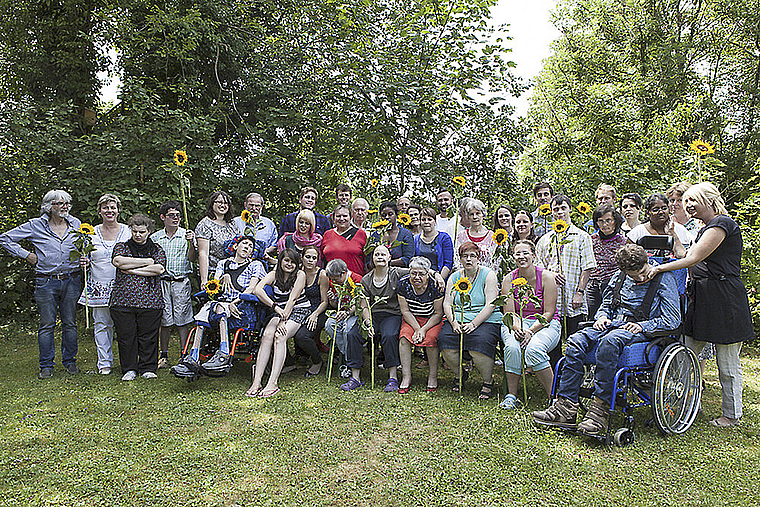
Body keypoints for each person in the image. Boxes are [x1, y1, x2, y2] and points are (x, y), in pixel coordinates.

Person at [532, 244, 680, 437]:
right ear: (624, 271)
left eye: (643, 272)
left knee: (609, 342)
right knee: (575, 340)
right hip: (612, 325)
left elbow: (673, 319)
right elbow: (606, 305)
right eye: (634, 276)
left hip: (643, 330)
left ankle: (599, 409)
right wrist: (601, 317)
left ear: (647, 263)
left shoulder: (663, 278)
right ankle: (566, 406)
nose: (641, 278)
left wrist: (643, 326)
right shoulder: (618, 278)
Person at [646, 182, 753, 428]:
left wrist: (659, 268)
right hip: (703, 296)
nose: (688, 205)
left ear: (709, 199)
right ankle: (683, 404)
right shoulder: (705, 228)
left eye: (693, 200)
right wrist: (673, 237)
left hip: (724, 297)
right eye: (686, 202)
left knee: (726, 362)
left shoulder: (721, 224)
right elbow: (687, 256)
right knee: (686, 351)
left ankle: (731, 415)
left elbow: (694, 258)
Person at [0, 190, 83, 378]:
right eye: (59, 203)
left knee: (70, 323)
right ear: (48, 207)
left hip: (72, 279)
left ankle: (70, 363)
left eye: (67, 203)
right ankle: (46, 365)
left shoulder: (77, 224)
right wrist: (26, 255)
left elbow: (83, 246)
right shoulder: (35, 225)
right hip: (46, 281)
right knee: (47, 324)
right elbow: (4, 238)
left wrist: (84, 257)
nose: (64, 207)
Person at [171, 235, 265, 378]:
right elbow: (214, 286)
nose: (247, 247)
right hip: (220, 303)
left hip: (242, 304)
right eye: (244, 243)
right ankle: (192, 357)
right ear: (236, 247)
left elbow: (252, 287)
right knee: (204, 312)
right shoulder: (223, 263)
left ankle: (224, 352)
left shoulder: (255, 265)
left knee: (218, 307)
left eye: (251, 246)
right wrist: (223, 277)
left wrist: (236, 301)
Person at [499, 240, 561, 409]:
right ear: (513, 257)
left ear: (533, 256)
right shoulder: (508, 279)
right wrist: (518, 329)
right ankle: (511, 395)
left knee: (534, 350)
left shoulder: (547, 277)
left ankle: (554, 398)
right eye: (518, 253)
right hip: (516, 322)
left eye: (525, 253)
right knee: (512, 347)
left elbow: (548, 313)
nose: (522, 257)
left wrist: (530, 331)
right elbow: (509, 312)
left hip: (544, 323)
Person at [438, 241, 501, 399]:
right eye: (464, 256)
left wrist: (474, 324)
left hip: (485, 319)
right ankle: (460, 375)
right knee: (445, 342)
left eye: (472, 256)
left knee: (478, 346)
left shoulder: (488, 275)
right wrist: (453, 322)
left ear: (478, 258)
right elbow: (447, 303)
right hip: (458, 318)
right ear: (460, 259)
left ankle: (487, 381)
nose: (468, 260)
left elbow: (491, 304)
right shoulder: (455, 277)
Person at [342, 245, 408, 391]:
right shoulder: (366, 280)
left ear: (389, 257)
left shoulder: (396, 273)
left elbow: (417, 271)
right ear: (372, 259)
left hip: (392, 314)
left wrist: (435, 275)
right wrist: (368, 323)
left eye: (383, 254)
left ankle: (392, 377)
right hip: (373, 314)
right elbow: (364, 305)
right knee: (353, 334)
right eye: (376, 254)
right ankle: (355, 377)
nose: (380, 257)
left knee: (389, 335)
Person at [77, 194, 130, 375]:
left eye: (113, 207)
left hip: (124, 286)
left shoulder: (128, 231)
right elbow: (86, 257)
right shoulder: (89, 234)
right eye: (105, 207)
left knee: (126, 325)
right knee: (102, 325)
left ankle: (128, 362)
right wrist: (84, 262)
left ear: (119, 210)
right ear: (99, 211)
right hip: (98, 285)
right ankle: (104, 363)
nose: (110, 211)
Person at [110, 214, 167, 381]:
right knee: (126, 336)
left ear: (149, 231)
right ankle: (129, 369)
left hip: (150, 301)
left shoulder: (156, 249)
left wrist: (132, 269)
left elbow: (158, 269)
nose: (138, 235)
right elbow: (119, 262)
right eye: (135, 231)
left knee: (148, 336)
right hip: (123, 300)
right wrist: (146, 262)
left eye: (142, 232)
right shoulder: (122, 247)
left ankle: (148, 368)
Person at [247, 249, 309, 398]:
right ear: (280, 260)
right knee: (267, 335)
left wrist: (283, 321)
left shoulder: (300, 275)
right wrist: (274, 306)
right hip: (280, 310)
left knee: (279, 336)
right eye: (286, 260)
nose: (289, 264)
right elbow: (257, 290)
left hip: (298, 310)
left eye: (293, 262)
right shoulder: (274, 275)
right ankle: (257, 382)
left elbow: (292, 300)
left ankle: (272, 383)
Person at [536, 195, 596, 341]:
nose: (560, 212)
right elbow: (538, 268)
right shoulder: (545, 239)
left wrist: (580, 292)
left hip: (573, 297)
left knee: (575, 338)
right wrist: (551, 275)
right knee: (553, 340)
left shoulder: (582, 236)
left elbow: (587, 267)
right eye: (556, 209)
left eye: (563, 208)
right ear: (551, 212)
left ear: (570, 209)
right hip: (552, 300)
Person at [152, 201, 197, 370]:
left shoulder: (186, 235)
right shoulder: (156, 237)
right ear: (163, 217)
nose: (175, 218)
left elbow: (192, 259)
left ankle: (184, 354)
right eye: (171, 215)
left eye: (178, 216)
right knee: (165, 320)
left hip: (180, 282)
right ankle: (163, 355)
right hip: (162, 281)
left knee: (182, 320)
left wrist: (191, 243)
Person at [397, 256, 444, 393]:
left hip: (431, 319)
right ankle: (406, 376)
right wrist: (417, 328)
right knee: (404, 338)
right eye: (413, 273)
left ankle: (433, 376)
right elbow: (404, 310)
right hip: (411, 318)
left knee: (430, 340)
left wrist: (423, 330)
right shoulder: (403, 284)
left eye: (421, 274)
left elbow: (438, 313)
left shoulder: (435, 286)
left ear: (428, 274)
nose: (417, 277)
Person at [293, 245, 330, 377]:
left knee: (302, 336)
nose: (310, 260)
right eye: (308, 257)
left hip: (318, 310)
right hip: (300, 309)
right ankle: (295, 358)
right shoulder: (297, 272)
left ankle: (317, 361)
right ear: (302, 257)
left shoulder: (322, 274)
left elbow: (325, 301)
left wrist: (314, 315)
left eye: (314, 258)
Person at [323, 259, 364, 378]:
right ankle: (348, 355)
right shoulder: (334, 282)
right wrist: (332, 300)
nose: (334, 281)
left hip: (355, 313)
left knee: (347, 329)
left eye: (336, 279)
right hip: (341, 312)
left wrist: (347, 313)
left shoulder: (357, 280)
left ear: (344, 273)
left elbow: (360, 305)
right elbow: (336, 306)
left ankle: (350, 362)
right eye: (332, 279)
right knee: (329, 324)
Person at [587, 204, 626, 320]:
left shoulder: (623, 241)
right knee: (592, 317)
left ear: (615, 221)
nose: (605, 225)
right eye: (601, 221)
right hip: (593, 285)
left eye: (608, 220)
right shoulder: (591, 240)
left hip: (613, 285)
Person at [196, 191, 238, 285]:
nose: (223, 205)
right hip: (212, 272)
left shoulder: (232, 224)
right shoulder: (205, 224)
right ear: (212, 204)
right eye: (219, 202)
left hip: (231, 271)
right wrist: (204, 280)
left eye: (226, 203)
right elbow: (203, 253)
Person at [627, 193, 691, 251]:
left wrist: (672, 234)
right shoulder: (637, 233)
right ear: (647, 212)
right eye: (655, 210)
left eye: (664, 208)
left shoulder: (680, 230)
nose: (661, 212)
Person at [233, 192, 279, 264]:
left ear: (261, 206)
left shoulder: (269, 224)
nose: (254, 208)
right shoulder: (236, 222)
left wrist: (263, 252)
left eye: (257, 205)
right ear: (245, 205)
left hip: (261, 263)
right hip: (238, 264)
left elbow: (274, 244)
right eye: (251, 205)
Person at [321, 204, 367, 276]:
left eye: (345, 216)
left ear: (350, 217)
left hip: (355, 282)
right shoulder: (327, 235)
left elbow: (367, 260)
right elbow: (322, 260)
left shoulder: (360, 234)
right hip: (332, 282)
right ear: (333, 218)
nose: (342, 219)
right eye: (338, 216)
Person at [368, 201, 415, 268]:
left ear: (396, 215)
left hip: (399, 274)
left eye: (390, 214)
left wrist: (386, 262)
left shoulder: (405, 234)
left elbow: (408, 259)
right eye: (383, 215)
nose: (387, 217)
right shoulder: (376, 235)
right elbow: (369, 259)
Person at [453, 198, 497, 270]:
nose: (475, 217)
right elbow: (457, 259)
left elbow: (496, 261)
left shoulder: (492, 236)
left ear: (483, 215)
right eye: (471, 214)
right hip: (466, 277)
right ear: (468, 217)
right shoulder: (461, 236)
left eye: (478, 213)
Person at [414, 207, 454, 280]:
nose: (426, 222)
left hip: (441, 278)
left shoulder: (444, 238)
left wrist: (439, 280)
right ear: (420, 222)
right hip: (419, 278)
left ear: (435, 221)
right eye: (423, 219)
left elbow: (448, 263)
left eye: (429, 219)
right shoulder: (415, 239)